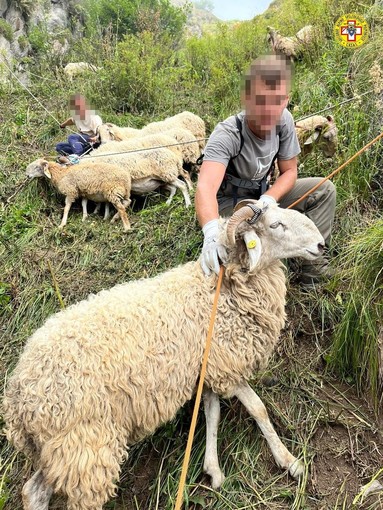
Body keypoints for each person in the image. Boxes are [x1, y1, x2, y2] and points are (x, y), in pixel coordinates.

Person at [195, 54, 336, 286]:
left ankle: (314, 271)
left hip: (262, 197)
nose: (269, 109)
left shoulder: (284, 121)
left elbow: (290, 171)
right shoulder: (228, 133)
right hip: (230, 204)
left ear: (286, 100)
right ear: (247, 98)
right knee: (242, 242)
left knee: (323, 190)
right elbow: (206, 186)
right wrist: (211, 231)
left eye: (277, 100)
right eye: (261, 99)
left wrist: (268, 199)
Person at [56, 93, 103, 161]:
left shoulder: (93, 116)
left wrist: (96, 137)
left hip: (92, 141)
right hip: (81, 143)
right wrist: (62, 125)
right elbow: (71, 121)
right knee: (59, 146)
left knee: (72, 137)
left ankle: (78, 157)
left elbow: (101, 130)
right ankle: (81, 154)